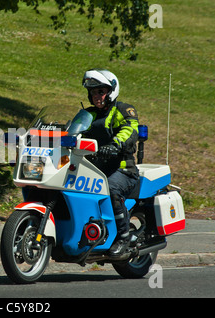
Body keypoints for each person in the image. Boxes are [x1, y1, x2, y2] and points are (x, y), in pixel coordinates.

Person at [82, 69, 139, 258]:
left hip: (123, 169)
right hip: (95, 168)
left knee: (112, 189)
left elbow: (130, 129)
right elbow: (73, 132)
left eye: (100, 91)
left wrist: (116, 144)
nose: (96, 95)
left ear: (111, 91)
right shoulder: (87, 115)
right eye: (93, 92)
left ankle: (123, 237)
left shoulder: (122, 110)